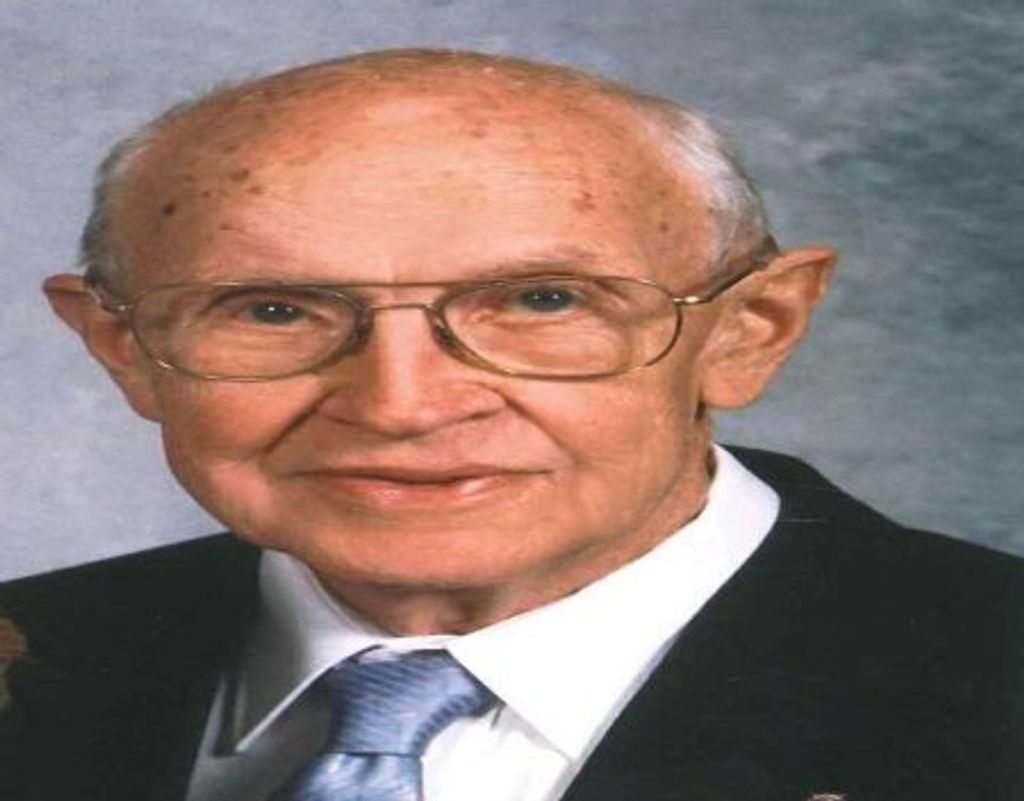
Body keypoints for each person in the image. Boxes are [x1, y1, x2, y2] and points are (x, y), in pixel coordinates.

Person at [1, 48, 1020, 801]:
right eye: (273, 310)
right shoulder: (40, 657)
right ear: (122, 346)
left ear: (749, 331)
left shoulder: (990, 681)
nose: (403, 405)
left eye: (542, 301)